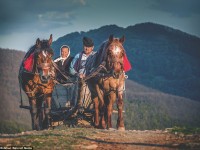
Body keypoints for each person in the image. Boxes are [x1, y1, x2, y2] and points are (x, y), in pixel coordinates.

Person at [70, 37, 96, 108]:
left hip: (93, 79)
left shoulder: (96, 56)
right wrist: (78, 74)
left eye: (88, 47)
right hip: (80, 79)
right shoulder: (78, 56)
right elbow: (71, 68)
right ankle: (77, 105)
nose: (86, 48)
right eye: (85, 47)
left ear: (92, 47)